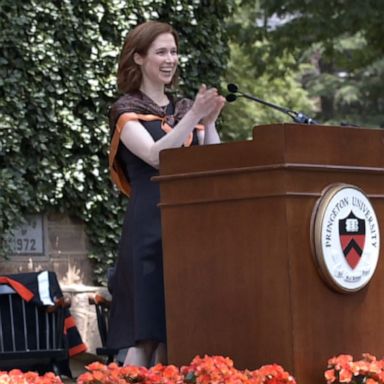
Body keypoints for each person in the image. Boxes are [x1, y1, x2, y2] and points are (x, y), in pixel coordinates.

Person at [106, 20, 225, 368]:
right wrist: (194, 118)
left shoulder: (186, 108)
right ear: (139, 58)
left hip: (187, 227)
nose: (170, 58)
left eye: (173, 51)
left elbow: (211, 162)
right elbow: (158, 156)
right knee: (145, 331)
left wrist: (211, 121)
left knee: (178, 331)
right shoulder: (125, 110)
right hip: (148, 227)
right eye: (161, 52)